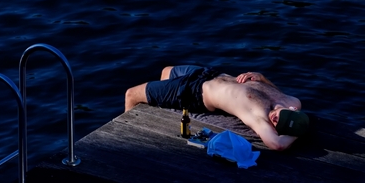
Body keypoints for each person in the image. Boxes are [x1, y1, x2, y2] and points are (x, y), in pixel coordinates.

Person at [125, 65, 310, 151]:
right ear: (292, 109)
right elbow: (272, 90)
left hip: (194, 91)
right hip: (208, 73)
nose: (275, 119)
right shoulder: (289, 100)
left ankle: (127, 143)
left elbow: (277, 144)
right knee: (166, 71)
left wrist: (296, 132)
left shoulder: (259, 116)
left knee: (131, 95)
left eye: (278, 124)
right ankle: (164, 101)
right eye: (282, 117)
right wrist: (261, 78)